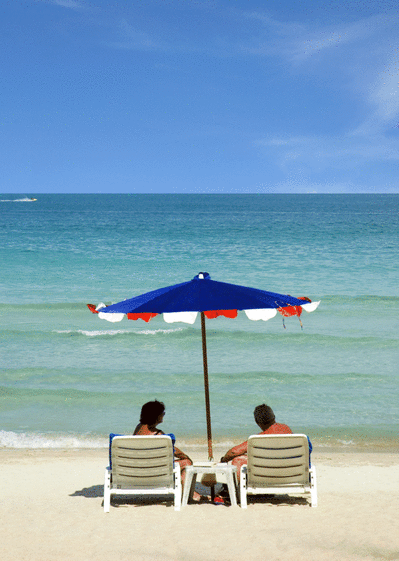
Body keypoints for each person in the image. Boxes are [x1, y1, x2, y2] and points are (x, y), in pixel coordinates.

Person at [134, 400, 204, 502]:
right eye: (163, 413)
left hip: (138, 471)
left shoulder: (138, 428)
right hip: (155, 472)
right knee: (187, 463)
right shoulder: (159, 435)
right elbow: (174, 450)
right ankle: (188, 495)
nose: (163, 415)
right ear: (156, 416)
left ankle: (192, 493)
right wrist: (186, 456)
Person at [220, 404, 293, 482]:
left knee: (238, 460)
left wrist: (223, 459)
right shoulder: (286, 429)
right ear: (274, 417)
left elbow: (234, 451)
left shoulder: (260, 438)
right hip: (288, 471)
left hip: (268, 473)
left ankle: (237, 490)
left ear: (257, 422)